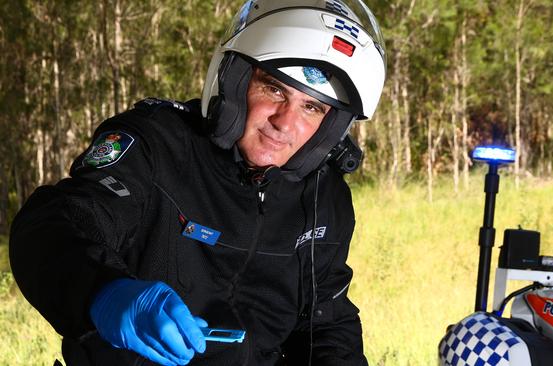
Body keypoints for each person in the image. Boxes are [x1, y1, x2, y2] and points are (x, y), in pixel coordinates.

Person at [9, 0, 386, 365]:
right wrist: (103, 291)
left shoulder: (324, 195)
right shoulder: (156, 145)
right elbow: (54, 224)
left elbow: (326, 319)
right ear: (235, 81)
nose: (285, 123)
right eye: (274, 89)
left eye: (312, 107)